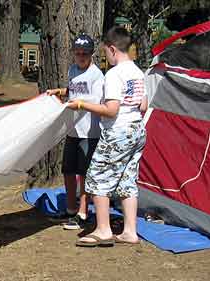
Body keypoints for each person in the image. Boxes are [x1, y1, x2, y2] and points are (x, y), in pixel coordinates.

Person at [67, 26, 147, 247]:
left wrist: (82, 104)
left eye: (105, 53)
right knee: (128, 180)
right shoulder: (138, 72)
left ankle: (103, 230)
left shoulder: (114, 74)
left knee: (96, 177)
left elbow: (111, 109)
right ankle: (130, 231)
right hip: (137, 130)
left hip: (117, 132)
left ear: (112, 49)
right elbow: (144, 105)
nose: (105, 57)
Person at [46, 33, 104, 230]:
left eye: (85, 53)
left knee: (84, 174)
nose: (81, 57)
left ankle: (83, 213)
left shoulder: (97, 75)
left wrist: (78, 104)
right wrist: (59, 92)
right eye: (77, 53)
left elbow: (97, 101)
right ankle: (70, 209)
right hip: (72, 130)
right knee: (68, 171)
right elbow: (72, 91)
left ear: (91, 54)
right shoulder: (72, 70)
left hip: (89, 132)